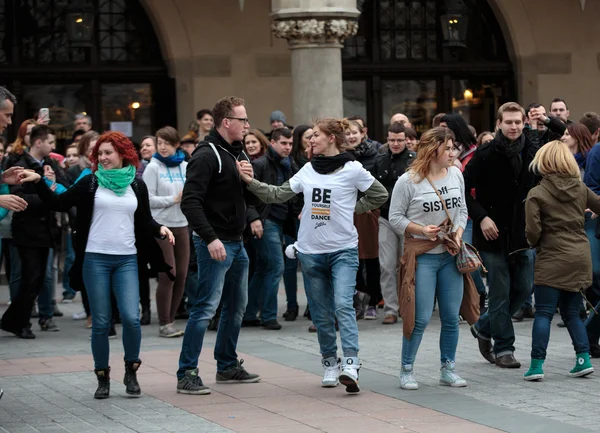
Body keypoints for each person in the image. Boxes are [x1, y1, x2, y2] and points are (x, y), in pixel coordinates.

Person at [17, 131, 174, 399]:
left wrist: (159, 228)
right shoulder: (90, 182)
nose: (102, 157)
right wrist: (39, 180)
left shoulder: (136, 186)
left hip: (126, 259)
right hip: (95, 260)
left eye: (108, 153)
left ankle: (131, 371)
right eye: (99, 153)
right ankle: (103, 377)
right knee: (101, 323)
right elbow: (58, 203)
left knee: (131, 318)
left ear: (123, 154)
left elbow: (145, 219)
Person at [239, 118, 388, 393]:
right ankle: (330, 362)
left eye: (316, 135)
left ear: (331, 138)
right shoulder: (307, 169)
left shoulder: (353, 169)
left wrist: (354, 209)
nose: (310, 139)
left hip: (343, 250)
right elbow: (277, 194)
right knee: (321, 314)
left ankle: (352, 364)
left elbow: (380, 194)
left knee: (343, 305)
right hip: (310, 252)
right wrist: (250, 182)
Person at [177, 96, 261, 395]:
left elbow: (243, 199)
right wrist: (210, 238)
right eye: (243, 120)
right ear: (227, 122)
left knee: (237, 307)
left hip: (237, 242)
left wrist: (249, 183)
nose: (248, 125)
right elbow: (190, 202)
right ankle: (186, 373)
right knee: (204, 309)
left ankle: (226, 365)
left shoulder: (236, 153)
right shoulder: (206, 154)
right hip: (215, 243)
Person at [389, 127, 468, 390]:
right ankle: (406, 369)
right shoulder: (408, 180)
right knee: (420, 317)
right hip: (422, 257)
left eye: (453, 146)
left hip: (449, 255)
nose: (452, 152)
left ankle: (448, 368)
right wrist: (422, 230)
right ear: (433, 150)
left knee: (450, 316)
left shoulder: (456, 173)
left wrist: (457, 233)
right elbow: (395, 218)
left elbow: (462, 210)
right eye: (447, 147)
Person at [464, 102, 539, 368]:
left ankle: (484, 326)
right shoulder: (484, 153)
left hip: (522, 234)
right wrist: (482, 217)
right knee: (500, 291)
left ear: (524, 123)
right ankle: (504, 348)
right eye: (508, 122)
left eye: (518, 122)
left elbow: (559, 132)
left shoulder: (532, 148)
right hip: (492, 234)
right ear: (498, 124)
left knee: (523, 288)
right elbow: (464, 191)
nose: (514, 126)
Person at [523, 141, 600, 380]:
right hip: (579, 255)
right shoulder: (580, 188)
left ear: (543, 163)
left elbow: (533, 231)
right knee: (572, 313)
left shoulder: (537, 193)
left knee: (544, 312)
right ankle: (583, 359)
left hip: (552, 255)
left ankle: (537, 365)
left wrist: (534, 244)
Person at [1, 124, 70, 338]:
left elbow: (65, 190)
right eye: (50, 142)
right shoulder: (20, 165)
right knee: (30, 277)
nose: (53, 146)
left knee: (39, 279)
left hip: (46, 230)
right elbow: (20, 200)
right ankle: (18, 322)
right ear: (38, 142)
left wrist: (52, 183)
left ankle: (15, 320)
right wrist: (46, 191)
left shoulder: (51, 164)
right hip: (27, 231)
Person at [244, 127, 301, 330]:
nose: (287, 147)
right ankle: (268, 316)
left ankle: (249, 313)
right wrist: (253, 218)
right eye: (283, 143)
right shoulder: (259, 164)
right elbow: (246, 195)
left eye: (290, 143)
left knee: (263, 268)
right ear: (273, 143)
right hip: (265, 220)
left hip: (282, 221)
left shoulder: (290, 164)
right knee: (277, 266)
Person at [143, 126, 189, 338]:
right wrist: (173, 199)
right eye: (159, 142)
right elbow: (148, 199)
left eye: (167, 143)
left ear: (176, 145)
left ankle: (171, 320)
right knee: (168, 273)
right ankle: (164, 323)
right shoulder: (153, 168)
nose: (162, 147)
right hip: (161, 225)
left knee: (181, 275)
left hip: (182, 224)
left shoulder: (185, 166)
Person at [372, 122, 415, 324]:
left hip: (408, 220)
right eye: (391, 140)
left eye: (399, 140)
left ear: (406, 139)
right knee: (387, 266)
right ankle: (391, 309)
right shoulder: (379, 159)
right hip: (386, 218)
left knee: (407, 267)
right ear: (387, 139)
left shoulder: (414, 161)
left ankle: (408, 306)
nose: (395, 144)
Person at [345, 119, 380, 320]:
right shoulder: (341, 157)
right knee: (353, 257)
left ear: (363, 133)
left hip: (367, 211)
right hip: (346, 212)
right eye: (347, 133)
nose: (351, 136)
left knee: (371, 258)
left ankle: (373, 301)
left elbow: (377, 186)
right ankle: (357, 299)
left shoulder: (374, 155)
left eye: (354, 133)